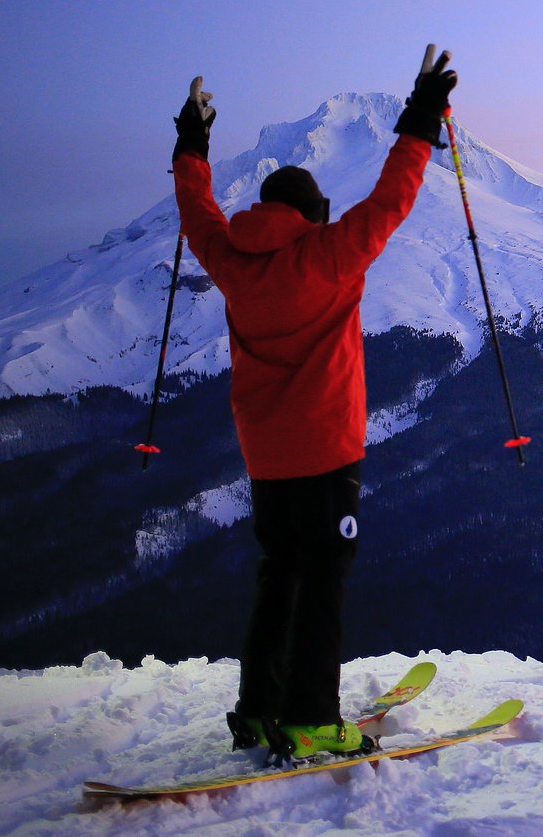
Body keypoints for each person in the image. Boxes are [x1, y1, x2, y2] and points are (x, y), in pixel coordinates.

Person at [170, 46, 456, 760]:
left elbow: (198, 213)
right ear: (310, 212)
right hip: (328, 453)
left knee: (279, 575)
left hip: (265, 458)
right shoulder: (328, 254)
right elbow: (393, 198)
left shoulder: (233, 261)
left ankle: (256, 709)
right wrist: (423, 115)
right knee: (324, 580)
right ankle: (307, 717)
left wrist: (192, 145)